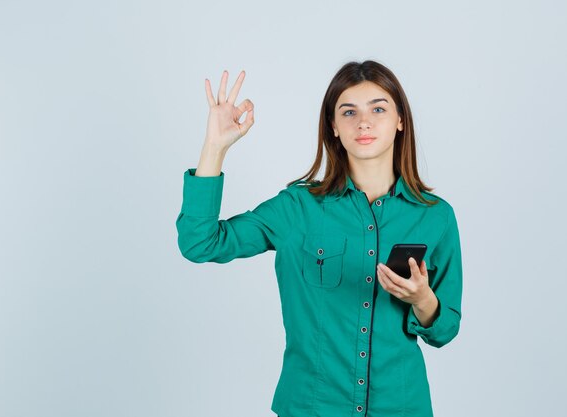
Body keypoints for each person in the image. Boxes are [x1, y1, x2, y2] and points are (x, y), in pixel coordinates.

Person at [176, 60, 463, 417]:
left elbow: (446, 329)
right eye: (348, 112)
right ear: (334, 127)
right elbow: (200, 242)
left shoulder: (435, 215)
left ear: (400, 120)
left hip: (401, 407)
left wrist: (422, 299)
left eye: (378, 108)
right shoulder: (297, 208)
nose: (364, 122)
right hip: (310, 407)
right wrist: (214, 148)